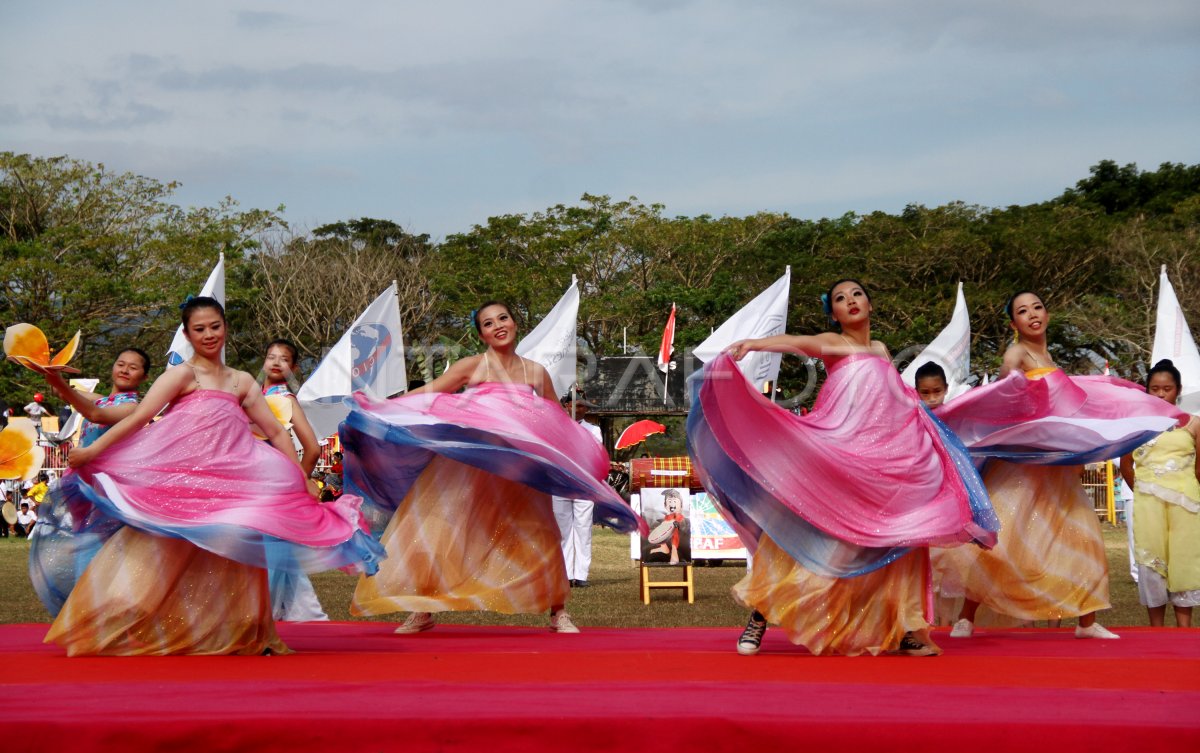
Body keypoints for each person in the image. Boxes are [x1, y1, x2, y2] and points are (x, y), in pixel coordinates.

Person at [43, 296, 382, 656]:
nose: (209, 335)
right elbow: (139, 417)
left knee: (242, 548)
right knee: (158, 549)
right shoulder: (182, 374)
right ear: (188, 335)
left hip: (236, 479)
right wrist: (93, 452)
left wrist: (303, 478)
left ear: (225, 328)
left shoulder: (241, 381)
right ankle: (116, 622)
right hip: (185, 481)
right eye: (199, 329)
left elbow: (278, 432)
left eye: (215, 327)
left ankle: (256, 632)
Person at [691, 279, 997, 657]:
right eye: (840, 298)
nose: (850, 301)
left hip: (889, 461)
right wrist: (754, 344)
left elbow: (897, 400)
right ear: (832, 313)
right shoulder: (834, 343)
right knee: (817, 533)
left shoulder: (882, 350)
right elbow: (795, 342)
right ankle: (761, 613)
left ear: (869, 304)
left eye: (856, 295)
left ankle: (904, 629)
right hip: (841, 454)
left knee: (903, 536)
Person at [343, 300, 643, 634]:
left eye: (503, 318)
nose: (498, 325)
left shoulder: (535, 372)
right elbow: (427, 396)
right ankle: (421, 610)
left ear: (515, 324)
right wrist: (380, 408)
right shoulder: (470, 366)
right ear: (482, 334)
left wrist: (578, 456)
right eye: (488, 323)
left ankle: (558, 612)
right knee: (442, 532)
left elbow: (555, 421)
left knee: (539, 533)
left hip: (520, 471)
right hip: (468, 469)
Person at [936, 292, 1187, 640]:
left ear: (1047, 314)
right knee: (1003, 540)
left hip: (1056, 466)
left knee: (1083, 536)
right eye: (1022, 311)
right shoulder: (1017, 353)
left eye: (1037, 307)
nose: (1032, 315)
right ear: (1014, 324)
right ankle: (965, 617)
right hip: (1024, 465)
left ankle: (1086, 621)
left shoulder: (1047, 355)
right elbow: (1001, 399)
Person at [27, 347, 151, 615]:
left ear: (143, 377)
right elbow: (66, 395)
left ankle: (92, 611)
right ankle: (94, 610)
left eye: (133, 367)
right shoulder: (102, 399)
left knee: (95, 542)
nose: (125, 369)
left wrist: (61, 385)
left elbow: (95, 415)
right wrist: (48, 370)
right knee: (86, 538)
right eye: (121, 363)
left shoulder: (135, 407)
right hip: (80, 480)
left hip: (109, 483)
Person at [1119, 359, 1200, 627]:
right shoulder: (1137, 424)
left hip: (1186, 506)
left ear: (1178, 389)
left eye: (1167, 388)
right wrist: (1145, 492)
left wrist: (1187, 494)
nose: (1162, 393)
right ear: (1147, 390)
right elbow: (1126, 464)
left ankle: (1184, 631)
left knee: (1184, 561)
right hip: (1148, 506)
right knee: (1151, 562)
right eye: (1155, 388)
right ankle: (1156, 632)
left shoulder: (1194, 424)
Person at [259, 338, 329, 622]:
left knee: (270, 547)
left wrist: (298, 481)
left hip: (271, 485)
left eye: (284, 359)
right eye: (271, 356)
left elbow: (312, 448)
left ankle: (267, 613)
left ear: (294, 368)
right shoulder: (251, 395)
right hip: (248, 482)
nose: (276, 362)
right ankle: (302, 614)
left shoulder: (285, 400)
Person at [552, 392, 606, 587]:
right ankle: (566, 573)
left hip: (584, 482)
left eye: (583, 406)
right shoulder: (556, 427)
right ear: (566, 405)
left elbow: (594, 453)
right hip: (561, 482)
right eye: (576, 405)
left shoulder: (594, 430)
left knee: (583, 529)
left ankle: (581, 574)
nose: (580, 409)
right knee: (563, 529)